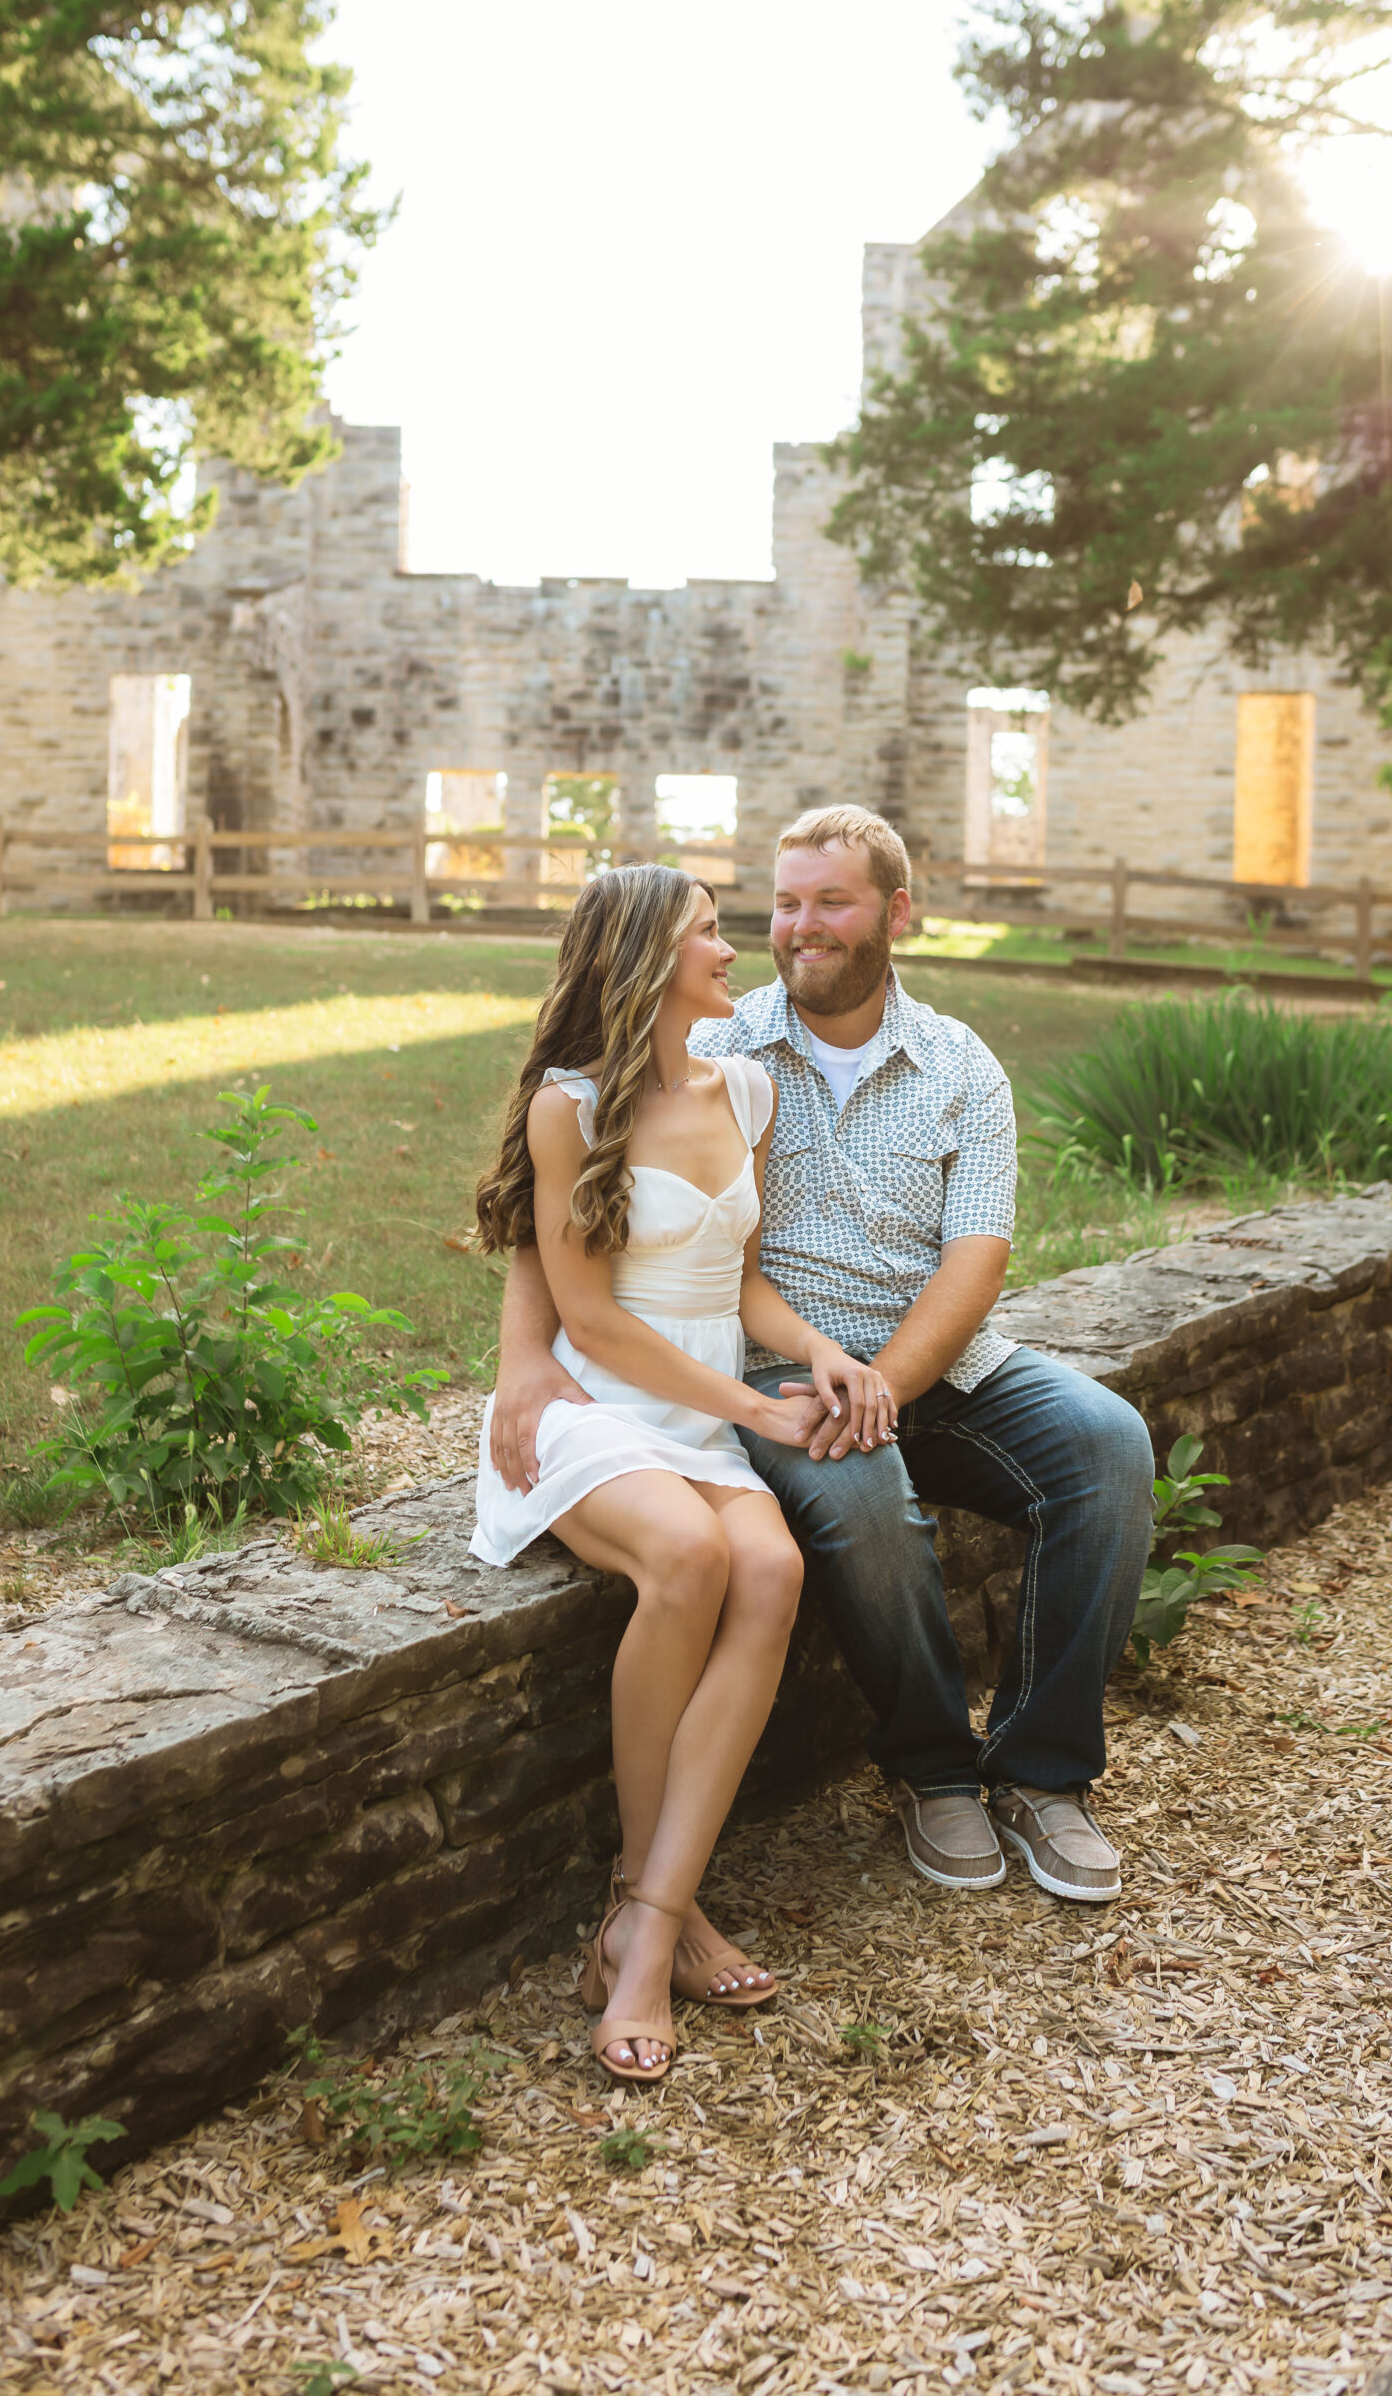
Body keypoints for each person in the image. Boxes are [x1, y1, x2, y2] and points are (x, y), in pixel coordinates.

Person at [487, 805, 1155, 1908]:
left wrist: (884, 1384)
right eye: (785, 902)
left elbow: (976, 1259)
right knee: (861, 1494)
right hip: (776, 1370)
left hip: (943, 1365)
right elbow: (565, 1188)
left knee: (1108, 1446)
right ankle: (935, 1769)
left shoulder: (960, 1065)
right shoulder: (714, 1039)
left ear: (896, 912)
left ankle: (1044, 1773)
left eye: (830, 902)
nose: (800, 927)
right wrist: (523, 1354)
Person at [471, 862, 892, 2083]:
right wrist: (753, 1406)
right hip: (595, 1405)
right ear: (651, 957)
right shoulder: (572, 1106)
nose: (735, 947)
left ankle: (651, 1906)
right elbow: (589, 1319)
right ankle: (653, 1930)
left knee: (768, 1570)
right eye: (712, 932)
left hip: (702, 1413)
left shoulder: (748, 1088)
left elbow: (739, 1278)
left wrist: (816, 1350)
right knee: (693, 1555)